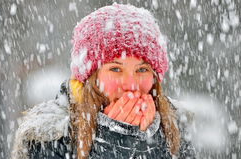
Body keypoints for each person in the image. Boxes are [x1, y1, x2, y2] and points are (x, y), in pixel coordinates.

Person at [12, 4, 195, 159]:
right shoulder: (48, 139)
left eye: (142, 69)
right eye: (115, 69)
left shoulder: (173, 130)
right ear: (90, 78)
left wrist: (150, 144)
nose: (131, 85)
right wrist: (115, 145)